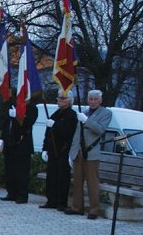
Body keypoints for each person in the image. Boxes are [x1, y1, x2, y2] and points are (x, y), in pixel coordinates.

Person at [64, 90, 111, 220]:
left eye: (96, 99)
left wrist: (87, 121)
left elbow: (100, 129)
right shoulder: (83, 113)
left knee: (92, 183)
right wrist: (71, 153)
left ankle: (94, 209)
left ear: (101, 100)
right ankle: (77, 207)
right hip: (79, 152)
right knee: (78, 181)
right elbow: (76, 135)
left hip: (91, 152)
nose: (93, 101)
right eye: (91, 99)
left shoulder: (106, 113)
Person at [40, 91, 77, 211]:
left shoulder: (71, 115)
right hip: (52, 150)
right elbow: (48, 133)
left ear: (69, 100)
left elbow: (68, 132)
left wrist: (55, 125)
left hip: (63, 150)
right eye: (58, 98)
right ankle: (51, 200)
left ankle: (62, 202)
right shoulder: (56, 114)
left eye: (62, 98)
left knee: (62, 178)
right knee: (51, 176)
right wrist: (45, 148)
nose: (59, 100)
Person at [0, 91, 38, 204]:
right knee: (9, 171)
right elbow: (7, 125)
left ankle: (22, 195)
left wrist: (19, 116)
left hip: (22, 145)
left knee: (21, 173)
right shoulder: (13, 106)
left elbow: (29, 122)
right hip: (10, 144)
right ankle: (11, 192)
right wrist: (2, 138)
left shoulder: (31, 108)